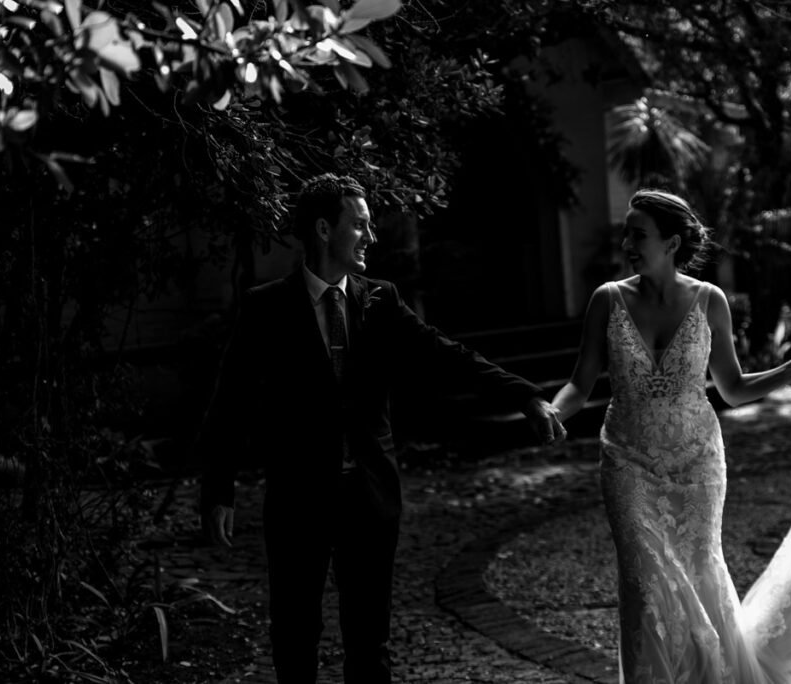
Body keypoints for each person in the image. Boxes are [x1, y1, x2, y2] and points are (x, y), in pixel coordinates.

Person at [197, 173, 566, 684]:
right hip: (298, 497)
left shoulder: (381, 299)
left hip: (369, 497)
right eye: (360, 225)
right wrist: (218, 490)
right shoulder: (268, 306)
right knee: (295, 638)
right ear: (324, 229)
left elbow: (446, 353)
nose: (371, 236)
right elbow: (230, 401)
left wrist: (524, 395)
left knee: (370, 644)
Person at [551, 189, 791, 683]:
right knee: (644, 582)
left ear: (671, 243)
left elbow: (732, 389)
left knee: (700, 573)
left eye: (638, 235)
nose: (627, 244)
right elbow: (579, 384)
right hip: (628, 460)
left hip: (697, 461)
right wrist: (553, 410)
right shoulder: (607, 300)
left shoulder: (709, 300)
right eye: (627, 233)